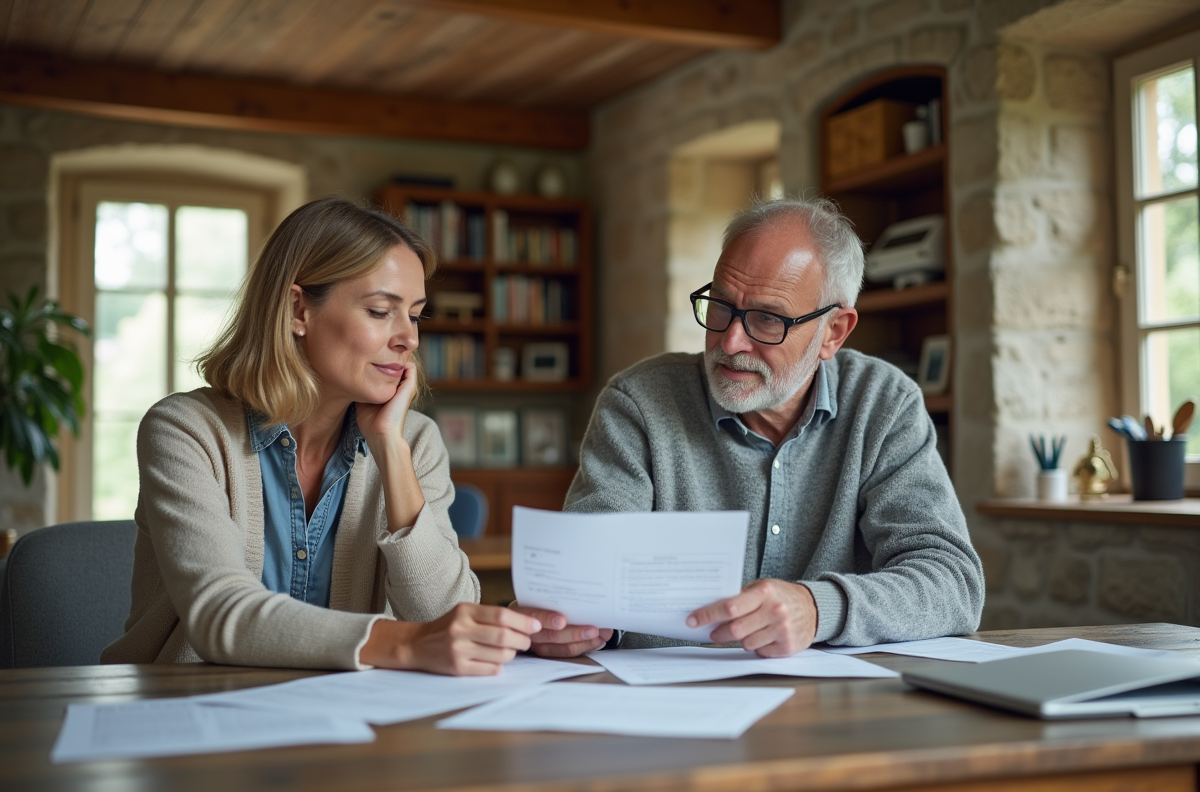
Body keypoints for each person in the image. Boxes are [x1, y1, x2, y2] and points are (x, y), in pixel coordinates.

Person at [519, 197, 984, 657]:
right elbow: (586, 583)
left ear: (834, 332)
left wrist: (817, 609)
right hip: (667, 707)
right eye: (720, 306)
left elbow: (952, 582)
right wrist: (574, 625)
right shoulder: (639, 404)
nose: (730, 340)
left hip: (830, 711)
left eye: (767, 318)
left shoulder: (883, 405)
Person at [102, 197, 539, 675]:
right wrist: (405, 644)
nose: (409, 339)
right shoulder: (186, 430)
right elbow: (218, 614)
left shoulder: (415, 440)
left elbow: (442, 617)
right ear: (297, 311)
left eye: (414, 315)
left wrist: (391, 449)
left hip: (345, 722)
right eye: (379, 311)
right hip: (189, 714)